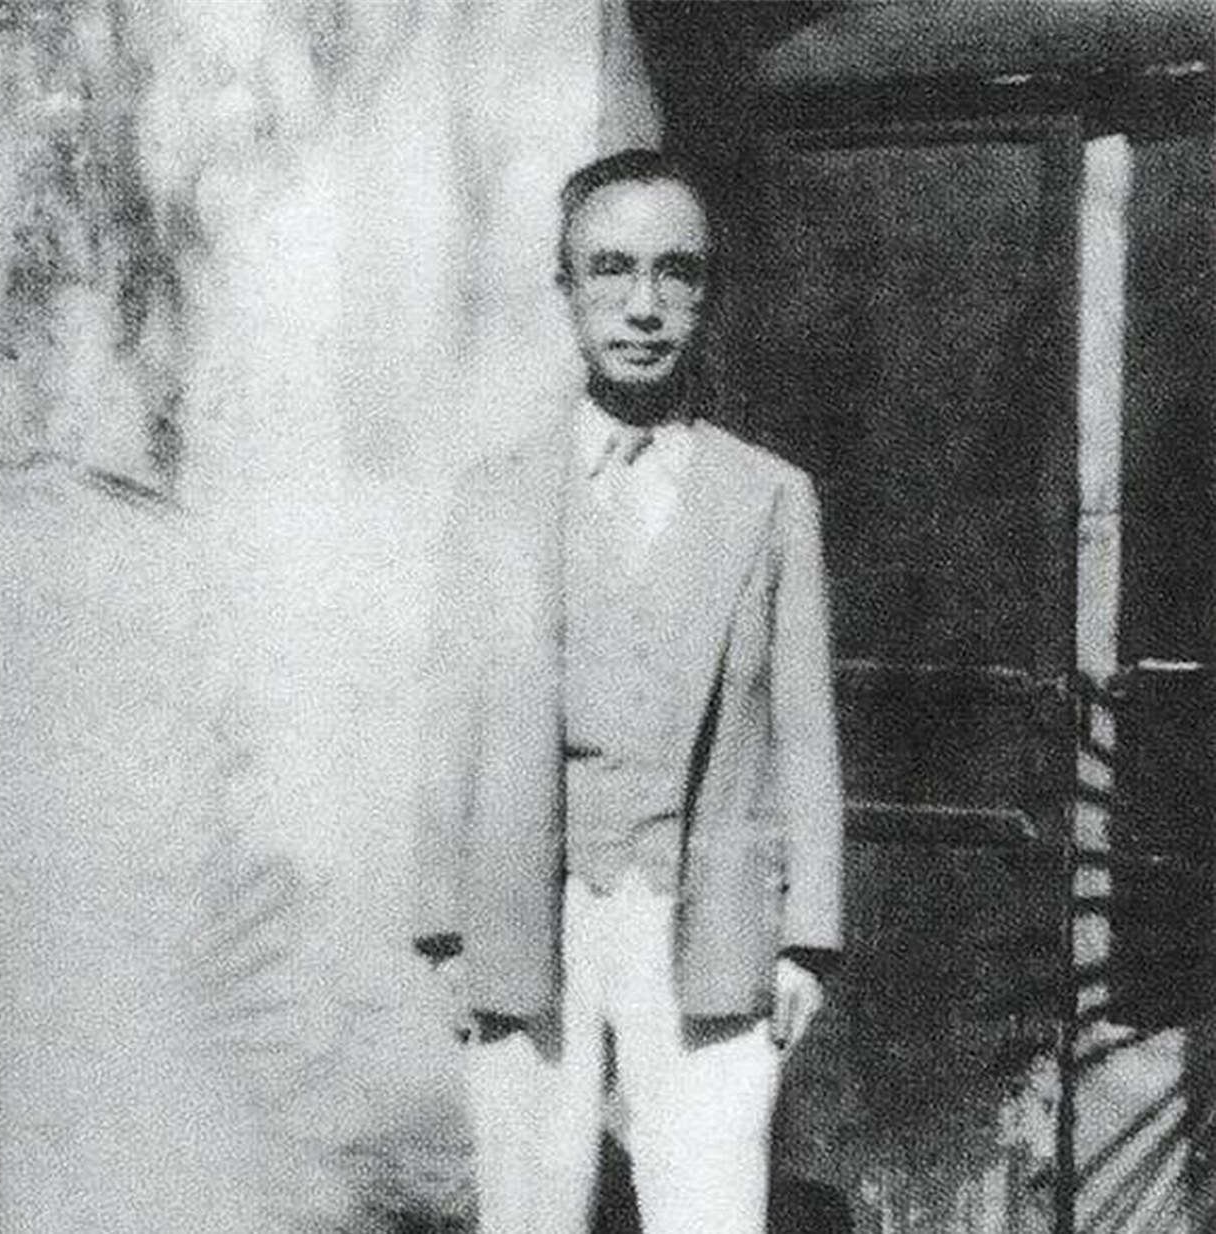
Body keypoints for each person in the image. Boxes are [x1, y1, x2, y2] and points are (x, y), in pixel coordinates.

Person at [413, 148, 843, 1234]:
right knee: (529, 1209)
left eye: (675, 272)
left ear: (707, 293)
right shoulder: (495, 499)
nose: (643, 306)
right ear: (565, 288)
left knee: (710, 1206)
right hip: (531, 904)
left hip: (713, 912)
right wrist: (446, 932)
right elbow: (452, 724)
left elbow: (803, 730)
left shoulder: (770, 497)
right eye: (610, 269)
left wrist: (808, 938)